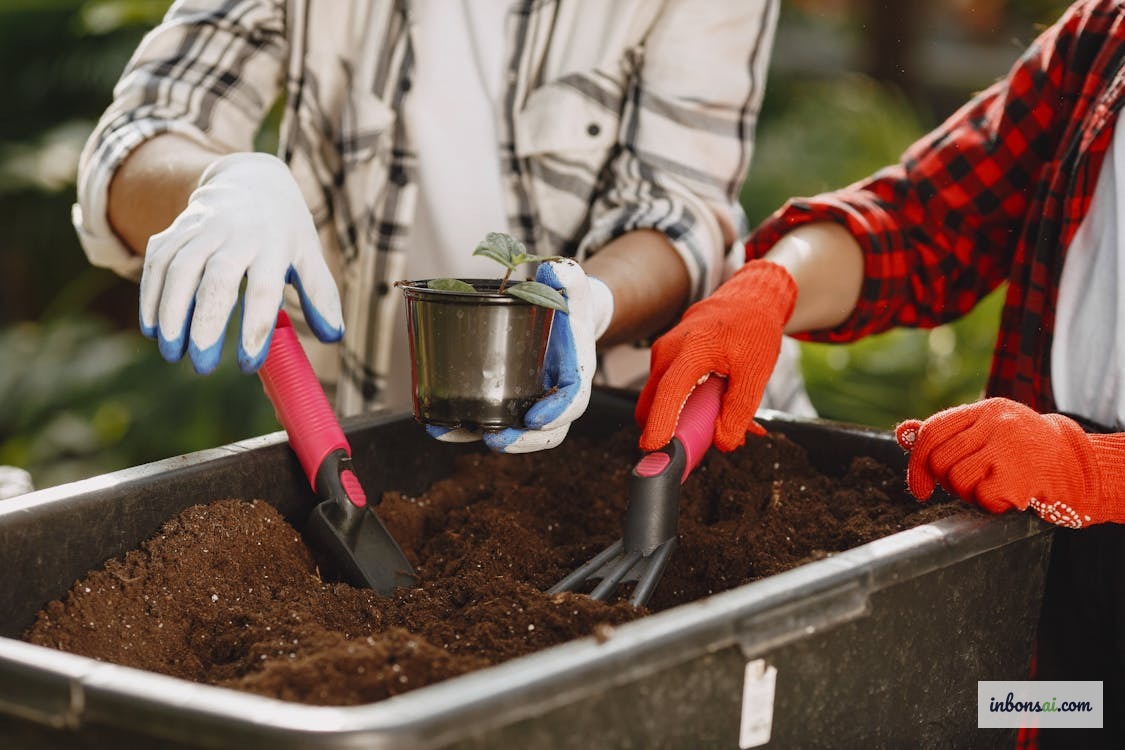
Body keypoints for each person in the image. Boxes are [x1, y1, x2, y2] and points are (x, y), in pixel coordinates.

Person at [635, 1, 1125, 745]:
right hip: (1051, 551)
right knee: (1030, 718)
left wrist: (1099, 473)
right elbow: (925, 218)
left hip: (1082, 481)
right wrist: (771, 288)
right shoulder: (1104, 44)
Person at [72, 0, 813, 454]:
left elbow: (678, 206)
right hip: (380, 425)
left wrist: (584, 306)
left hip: (646, 429)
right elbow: (141, 131)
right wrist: (224, 182)